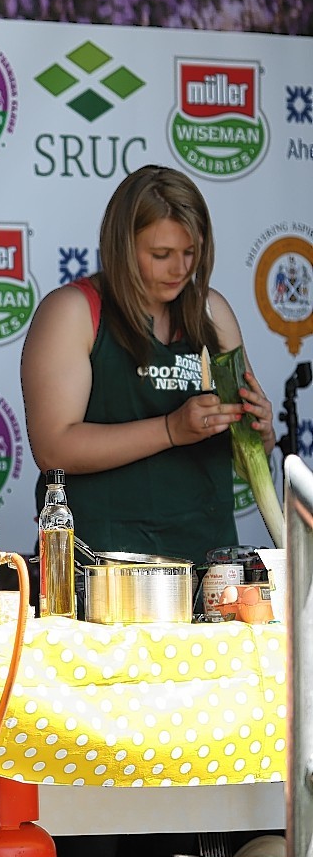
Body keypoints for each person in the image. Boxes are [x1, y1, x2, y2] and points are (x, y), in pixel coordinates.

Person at [20, 164, 275, 565]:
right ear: (122, 246)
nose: (180, 269)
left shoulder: (213, 311)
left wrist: (259, 430)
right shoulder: (73, 311)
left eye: (191, 252)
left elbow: (250, 453)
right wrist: (171, 429)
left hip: (208, 557)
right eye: (161, 255)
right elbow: (53, 448)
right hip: (104, 558)